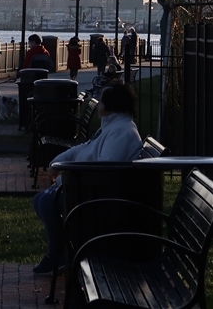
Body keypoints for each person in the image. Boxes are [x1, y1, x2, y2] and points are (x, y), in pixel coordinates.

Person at [31, 82, 142, 275]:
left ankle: (58, 254)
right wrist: (58, 162)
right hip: (90, 188)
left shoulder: (122, 132)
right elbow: (86, 148)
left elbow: (104, 169)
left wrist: (65, 177)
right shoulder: (113, 126)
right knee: (40, 200)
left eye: (101, 102)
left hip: (102, 197)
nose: (98, 105)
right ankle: (63, 249)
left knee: (48, 201)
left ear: (109, 106)